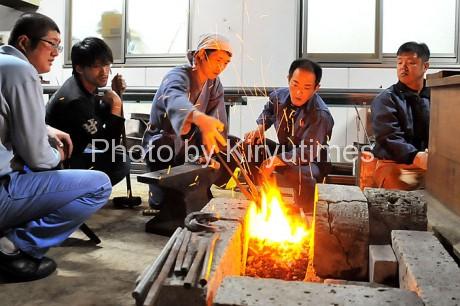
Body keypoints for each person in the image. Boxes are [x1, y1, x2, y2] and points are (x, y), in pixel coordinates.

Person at [0, 13, 111, 282]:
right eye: (52, 44)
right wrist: (57, 153)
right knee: (100, 184)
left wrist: (45, 129)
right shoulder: (21, 70)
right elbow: (39, 158)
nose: (55, 53)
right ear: (25, 42)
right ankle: (12, 248)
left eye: (59, 46)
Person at [141, 33, 232, 209]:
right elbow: (175, 99)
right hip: (163, 145)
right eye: (218, 60)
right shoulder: (177, 75)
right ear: (200, 55)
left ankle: (198, 188)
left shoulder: (214, 84)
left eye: (226, 63)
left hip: (190, 145)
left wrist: (208, 151)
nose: (221, 67)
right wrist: (199, 118)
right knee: (165, 204)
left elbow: (217, 119)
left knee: (229, 146)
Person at [244, 58, 334, 212]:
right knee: (249, 146)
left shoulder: (319, 114)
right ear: (288, 79)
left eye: (307, 87)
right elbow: (269, 110)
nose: (299, 92)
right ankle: (258, 198)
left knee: (296, 171)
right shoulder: (279, 96)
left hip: (312, 161)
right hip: (286, 149)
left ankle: (305, 211)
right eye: (295, 84)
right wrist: (261, 128)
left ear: (316, 88)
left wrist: (274, 161)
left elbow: (305, 153)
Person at [46, 37, 129, 187]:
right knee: (120, 163)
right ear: (79, 68)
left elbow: (96, 114)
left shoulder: (83, 84)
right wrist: (116, 104)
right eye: (97, 66)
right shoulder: (75, 100)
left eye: (106, 64)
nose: (104, 71)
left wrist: (115, 94)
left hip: (72, 153)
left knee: (118, 157)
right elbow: (107, 143)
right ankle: (76, 196)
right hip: (60, 165)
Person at [371, 42, 430, 190]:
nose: (403, 67)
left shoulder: (436, 96)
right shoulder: (386, 99)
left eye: (411, 63)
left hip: (429, 164)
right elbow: (388, 137)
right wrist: (415, 156)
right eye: (399, 62)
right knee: (401, 192)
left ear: (425, 66)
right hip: (393, 165)